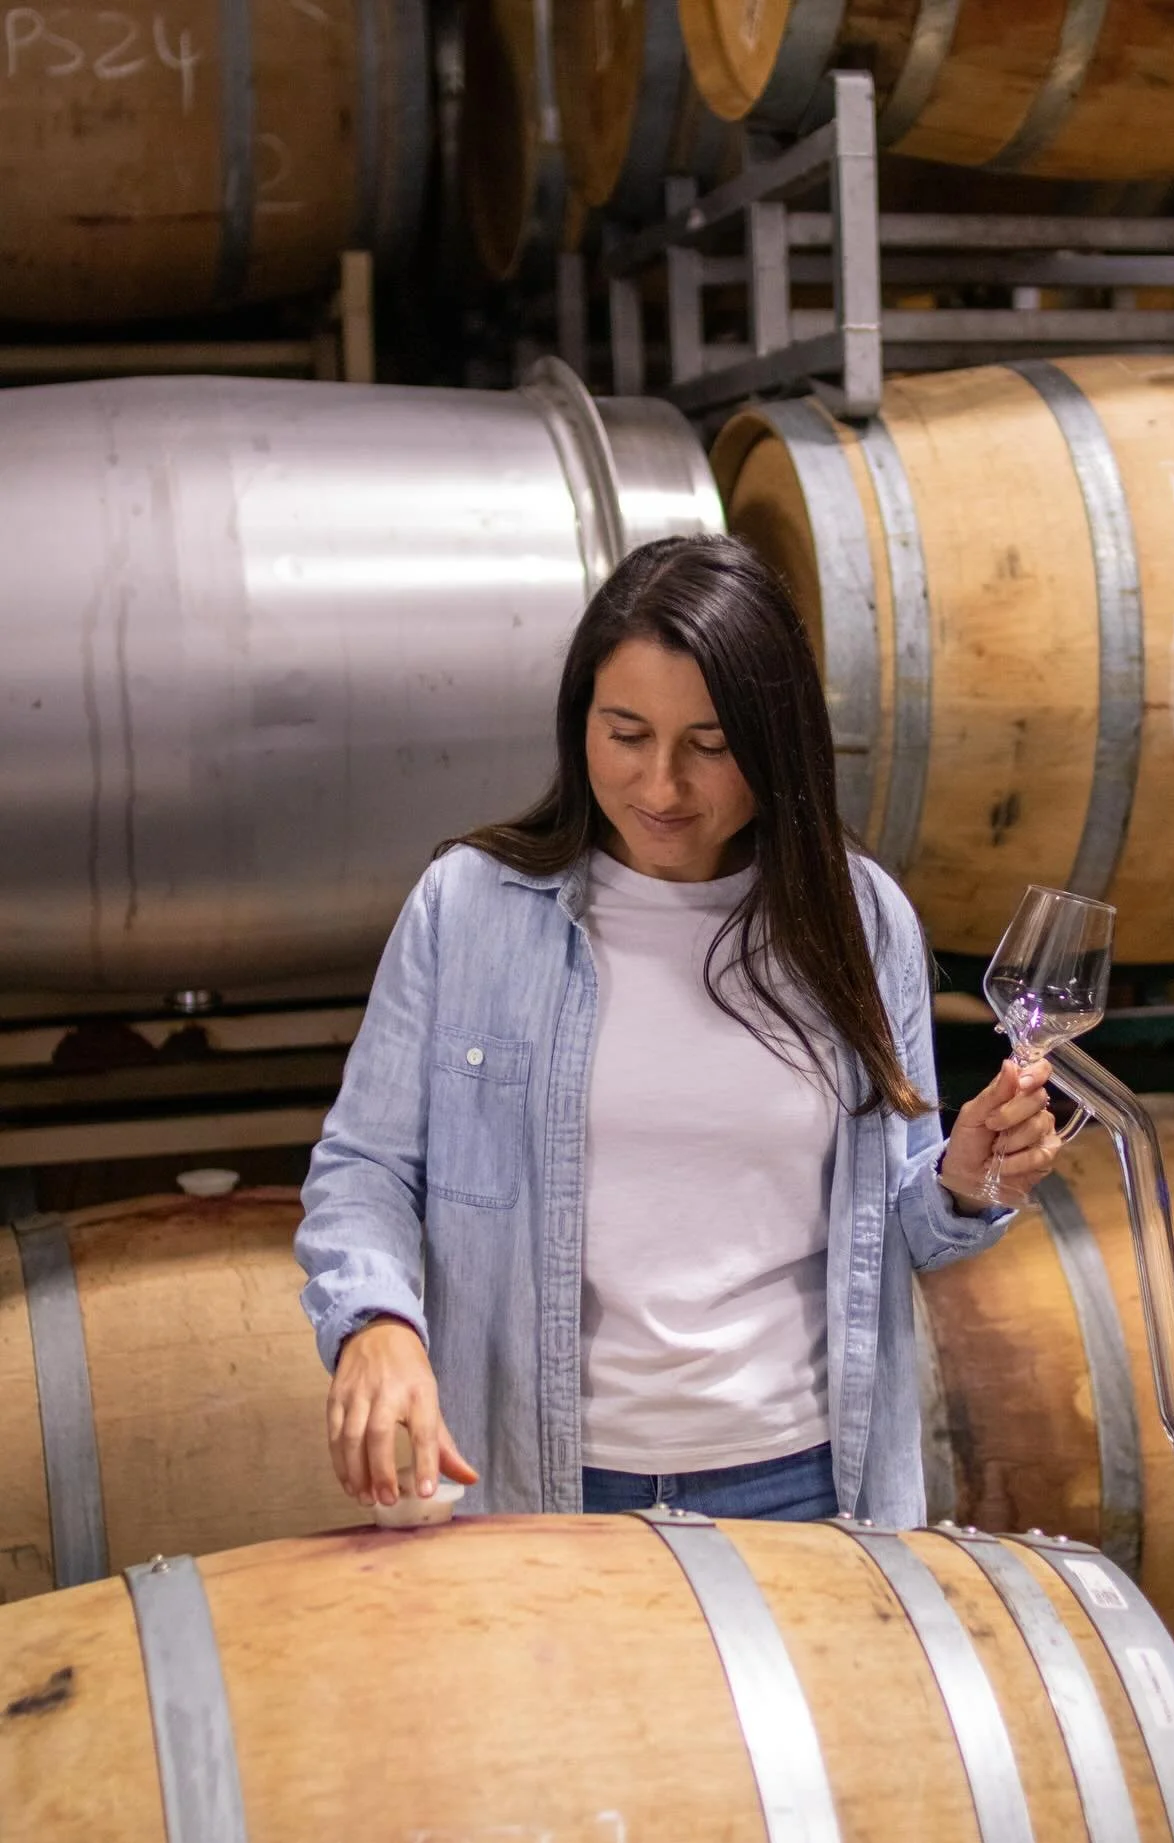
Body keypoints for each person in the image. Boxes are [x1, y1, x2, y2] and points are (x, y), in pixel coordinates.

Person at [296, 534, 1061, 1528]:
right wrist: (377, 1321)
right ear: (579, 726)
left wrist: (971, 1175)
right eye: (626, 735)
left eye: (708, 746)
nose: (661, 788)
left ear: (773, 742)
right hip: (541, 1485)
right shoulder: (470, 910)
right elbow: (364, 1166)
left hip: (801, 1482)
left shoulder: (858, 919)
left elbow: (908, 1225)